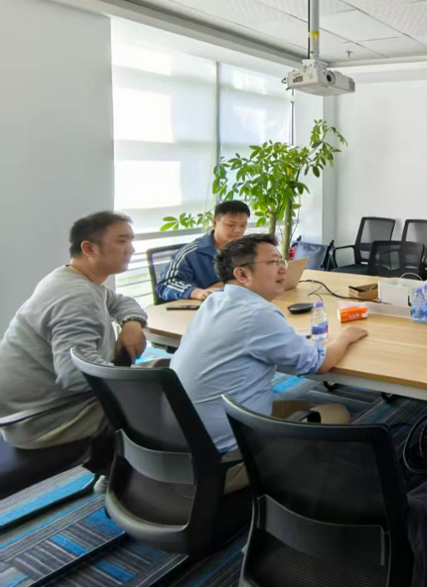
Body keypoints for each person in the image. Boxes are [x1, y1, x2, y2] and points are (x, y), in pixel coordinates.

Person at [171, 234, 368, 491]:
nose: (282, 268)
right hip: (224, 461)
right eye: (273, 262)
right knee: (338, 412)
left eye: (281, 261)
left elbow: (251, 341)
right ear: (242, 274)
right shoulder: (258, 314)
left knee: (304, 406)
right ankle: (298, 488)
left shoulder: (215, 301)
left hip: (181, 447)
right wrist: (345, 337)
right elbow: (319, 365)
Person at [0, 211, 147, 458]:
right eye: (122, 241)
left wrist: (132, 324)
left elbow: (120, 301)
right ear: (89, 248)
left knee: (152, 384)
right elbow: (78, 377)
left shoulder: (72, 278)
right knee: (161, 401)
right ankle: (131, 473)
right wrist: (142, 381)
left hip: (31, 411)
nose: (131, 249)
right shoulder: (76, 296)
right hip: (42, 420)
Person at [156, 200, 251, 303]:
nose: (238, 230)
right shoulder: (191, 253)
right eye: (231, 225)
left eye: (243, 225)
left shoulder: (249, 249)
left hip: (241, 303)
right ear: (214, 223)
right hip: (203, 307)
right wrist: (197, 293)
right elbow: (166, 284)